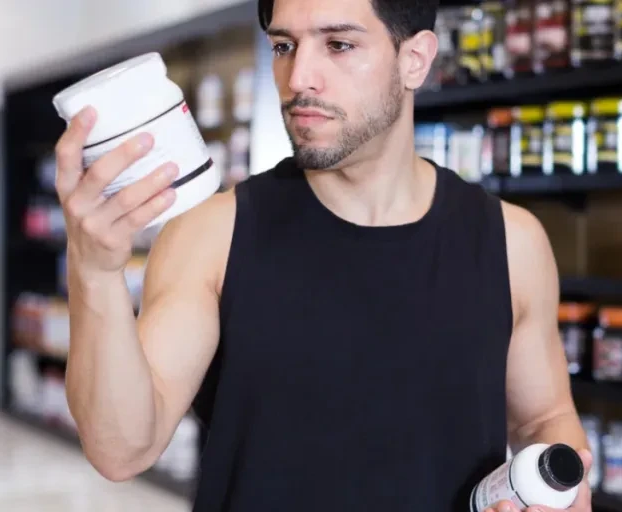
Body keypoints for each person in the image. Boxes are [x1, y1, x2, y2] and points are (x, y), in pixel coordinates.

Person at [51, 0, 593, 510]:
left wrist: (562, 487)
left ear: (415, 60)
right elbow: (122, 449)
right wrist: (94, 273)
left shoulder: (511, 241)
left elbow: (545, 416)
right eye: (284, 46)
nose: (299, 78)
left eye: (338, 45)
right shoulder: (211, 234)